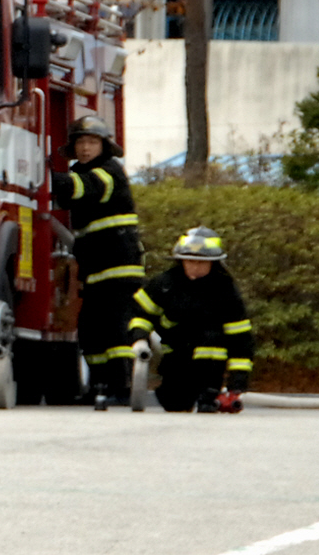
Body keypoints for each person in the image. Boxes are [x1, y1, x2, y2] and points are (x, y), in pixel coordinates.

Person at [54, 115, 144, 410]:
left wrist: (41, 174)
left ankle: (122, 386)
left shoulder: (108, 171)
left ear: (104, 146)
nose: (84, 148)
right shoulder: (81, 170)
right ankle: (99, 385)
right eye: (80, 142)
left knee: (116, 328)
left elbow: (79, 189)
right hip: (95, 268)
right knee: (90, 328)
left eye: (91, 142)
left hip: (118, 266)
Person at [129, 227, 254, 414]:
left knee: (212, 338)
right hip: (176, 354)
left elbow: (241, 340)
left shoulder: (225, 291)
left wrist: (237, 383)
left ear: (214, 263)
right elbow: (140, 314)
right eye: (189, 261)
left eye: (201, 262)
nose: (194, 267)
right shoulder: (164, 284)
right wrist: (140, 338)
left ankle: (208, 392)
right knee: (173, 403)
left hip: (210, 359)